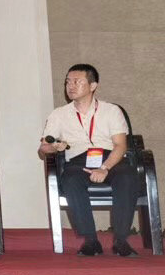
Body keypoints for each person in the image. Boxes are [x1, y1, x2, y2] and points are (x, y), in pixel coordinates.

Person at [38, 64, 139, 257]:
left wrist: (105, 167)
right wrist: (54, 147)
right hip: (78, 160)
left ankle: (121, 240)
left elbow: (120, 145)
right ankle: (91, 241)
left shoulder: (111, 110)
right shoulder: (58, 114)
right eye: (68, 82)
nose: (70, 86)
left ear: (93, 86)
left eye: (77, 81)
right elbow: (43, 148)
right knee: (70, 179)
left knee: (127, 176)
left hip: (111, 158)